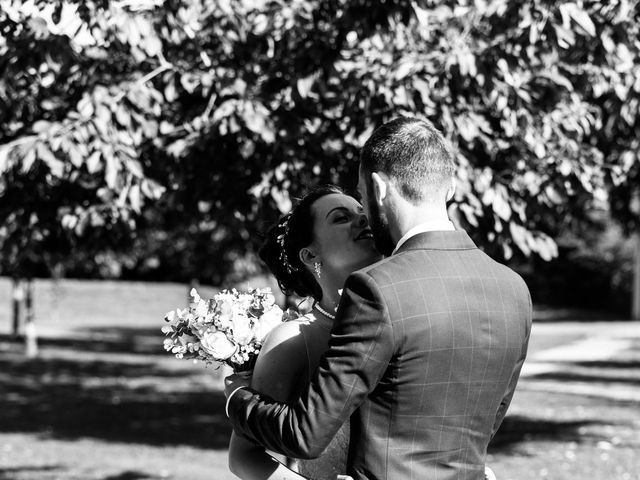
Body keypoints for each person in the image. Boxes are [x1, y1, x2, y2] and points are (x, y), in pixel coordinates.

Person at [225, 117, 532, 480]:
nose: (365, 220)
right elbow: (487, 421)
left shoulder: (378, 290)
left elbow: (305, 433)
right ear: (449, 188)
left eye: (362, 199)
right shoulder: (513, 289)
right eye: (343, 217)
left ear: (379, 189)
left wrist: (235, 397)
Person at [228, 185, 382, 480]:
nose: (363, 220)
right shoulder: (291, 342)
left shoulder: (407, 313)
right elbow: (243, 458)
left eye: (363, 213)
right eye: (341, 218)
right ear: (311, 255)